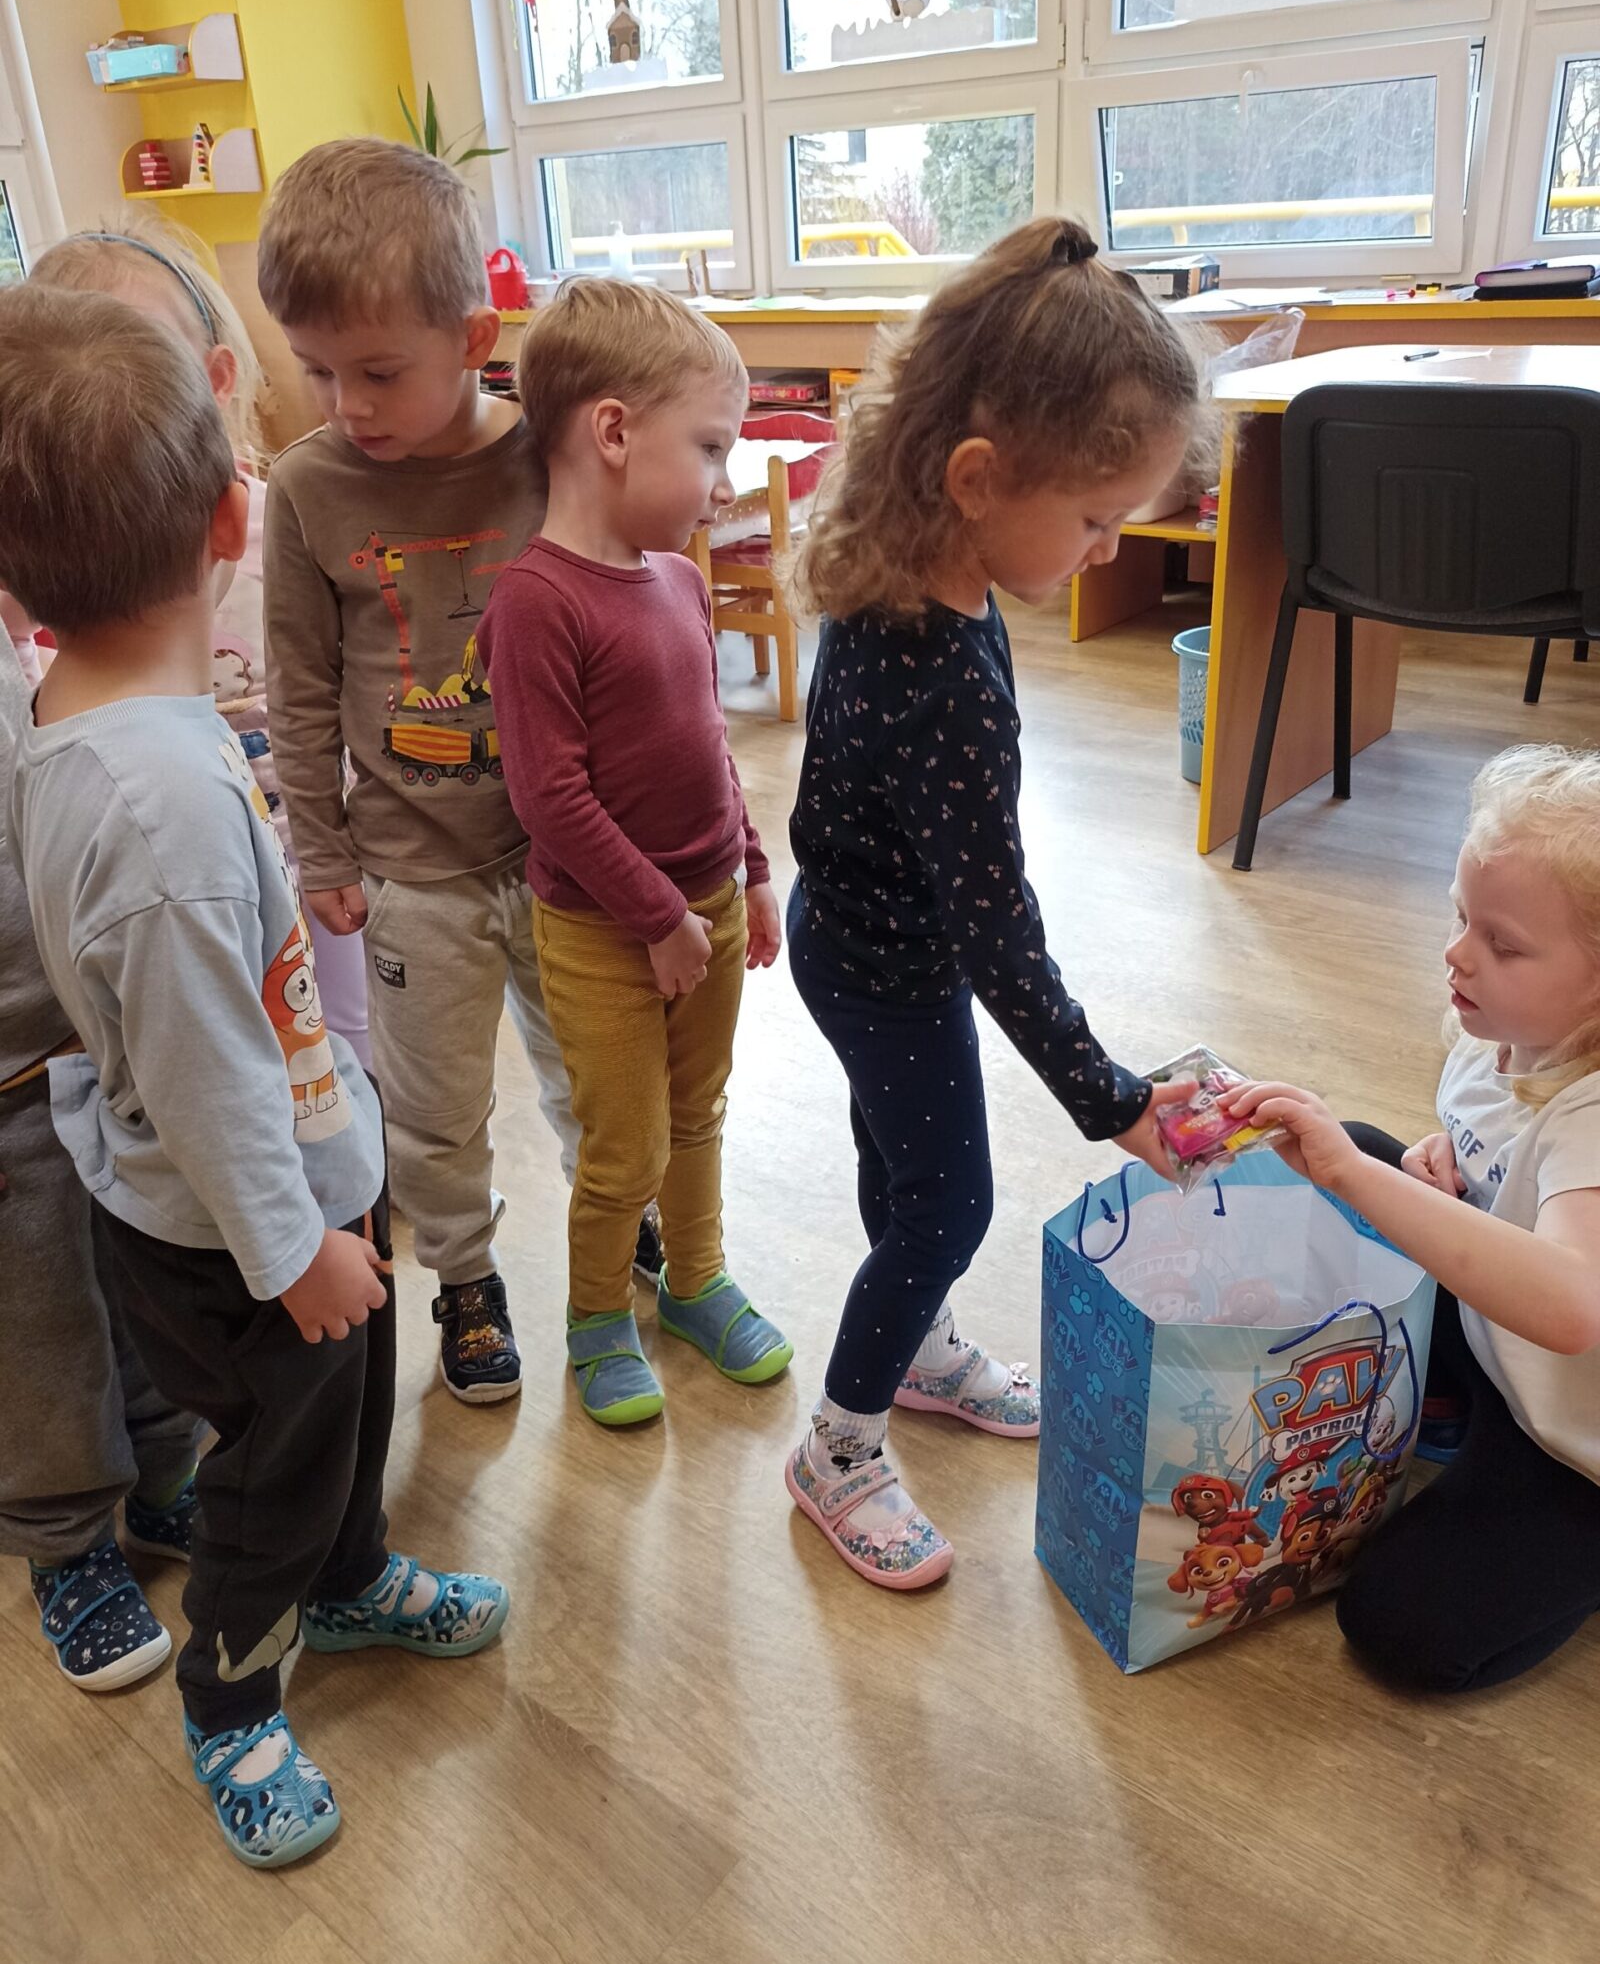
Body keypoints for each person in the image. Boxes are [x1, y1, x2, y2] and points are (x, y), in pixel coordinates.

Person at [0, 284, 508, 1867]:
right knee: (274, 1472)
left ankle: (347, 1578)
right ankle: (231, 1694)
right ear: (235, 512)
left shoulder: (75, 715)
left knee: (343, 1427)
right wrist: (294, 1251)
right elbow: (206, 1070)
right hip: (245, 1232)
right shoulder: (157, 808)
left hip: (284, 1188)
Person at [784, 216, 1207, 1589]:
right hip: (888, 965)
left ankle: (917, 1352)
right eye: (1092, 519)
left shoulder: (910, 570)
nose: (1105, 548)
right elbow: (997, 935)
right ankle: (837, 1448)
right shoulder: (939, 674)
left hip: (845, 934)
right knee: (947, 1204)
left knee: (904, 1173)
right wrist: (1111, 1095)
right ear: (975, 478)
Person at [258, 138, 661, 1405]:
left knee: (593, 1072)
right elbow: (300, 687)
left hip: (562, 858)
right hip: (409, 873)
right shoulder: (304, 489)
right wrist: (322, 851)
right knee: (434, 1109)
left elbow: (625, 629)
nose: (346, 403)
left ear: (475, 339)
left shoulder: (547, 458)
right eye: (316, 368)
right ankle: (468, 1280)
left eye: (379, 371)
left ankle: (619, 1218)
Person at [477, 278, 791, 1425]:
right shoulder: (535, 603)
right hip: (607, 932)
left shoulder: (680, 580)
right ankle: (598, 1318)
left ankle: (696, 1281)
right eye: (709, 448)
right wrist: (658, 917)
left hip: (704, 908)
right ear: (613, 431)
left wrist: (751, 871)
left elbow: (709, 745)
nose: (723, 482)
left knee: (699, 1114)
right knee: (625, 1145)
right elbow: (548, 797)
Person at [1221, 743, 1600, 1692]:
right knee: (1356, 1155)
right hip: (1507, 1352)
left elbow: (1572, 1306)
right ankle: (1445, 1402)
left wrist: (1358, 1175)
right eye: (1461, 916)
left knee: (1396, 1625)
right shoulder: (1496, 1035)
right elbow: (1498, 1157)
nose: (1458, 953)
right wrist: (1441, 1164)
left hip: (1575, 1440)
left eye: (1503, 944)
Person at [25, 214, 371, 1069]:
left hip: (316, 858)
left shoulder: (284, 522)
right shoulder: (50, 573)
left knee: (351, 1056)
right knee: (227, 1059)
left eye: (147, 373)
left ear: (216, 380)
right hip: (182, 884)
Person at [0, 632, 202, 1690]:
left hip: (81, 1018)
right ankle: (65, 1537)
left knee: (141, 1269)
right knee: (37, 1329)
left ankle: (165, 1478)